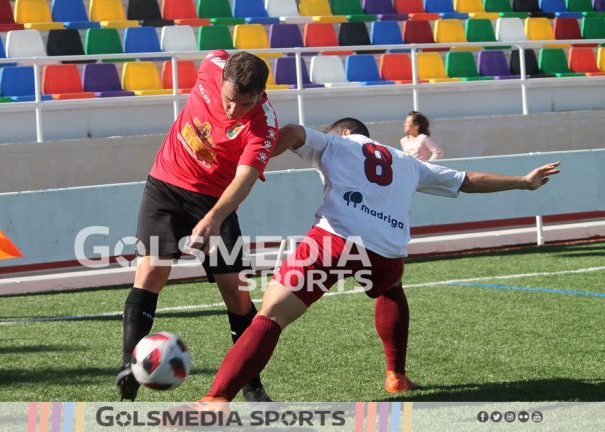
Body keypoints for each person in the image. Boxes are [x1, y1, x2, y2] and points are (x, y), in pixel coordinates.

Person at [199, 118, 560, 401]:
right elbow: (467, 180)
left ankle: (217, 397)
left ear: (344, 131)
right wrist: (522, 182)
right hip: (385, 252)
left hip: (335, 241)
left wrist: (248, 163)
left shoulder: (335, 141)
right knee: (390, 290)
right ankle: (396, 376)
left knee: (271, 316)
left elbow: (292, 132)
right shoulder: (406, 161)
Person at [115, 50, 279, 402]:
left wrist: (214, 218)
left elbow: (245, 179)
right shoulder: (211, 66)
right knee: (149, 274)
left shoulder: (264, 124)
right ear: (221, 81)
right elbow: (218, 53)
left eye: (245, 104)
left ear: (261, 95)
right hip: (165, 184)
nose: (234, 110)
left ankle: (251, 385)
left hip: (215, 201)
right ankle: (130, 367)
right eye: (229, 100)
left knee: (235, 293)